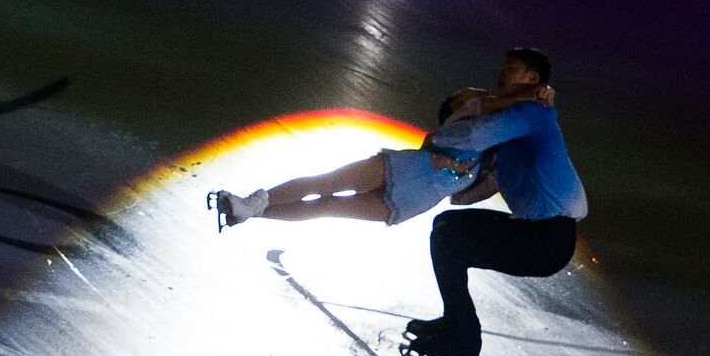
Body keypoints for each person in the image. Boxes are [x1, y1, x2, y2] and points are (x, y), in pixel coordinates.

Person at [405, 47, 587, 356]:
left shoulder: (531, 115)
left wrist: (438, 140)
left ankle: (463, 338)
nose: (502, 73)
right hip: (540, 233)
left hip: (547, 239)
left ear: (532, 79)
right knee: (448, 226)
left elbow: (475, 134)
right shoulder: (516, 122)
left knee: (449, 238)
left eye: (512, 68)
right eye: (503, 66)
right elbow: (468, 195)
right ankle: (455, 324)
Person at [212, 82, 554, 229]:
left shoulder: (489, 148)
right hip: (405, 170)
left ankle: (250, 213)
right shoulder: (467, 117)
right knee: (326, 184)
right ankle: (251, 203)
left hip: (417, 198)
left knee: (327, 206)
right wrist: (533, 97)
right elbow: (491, 106)